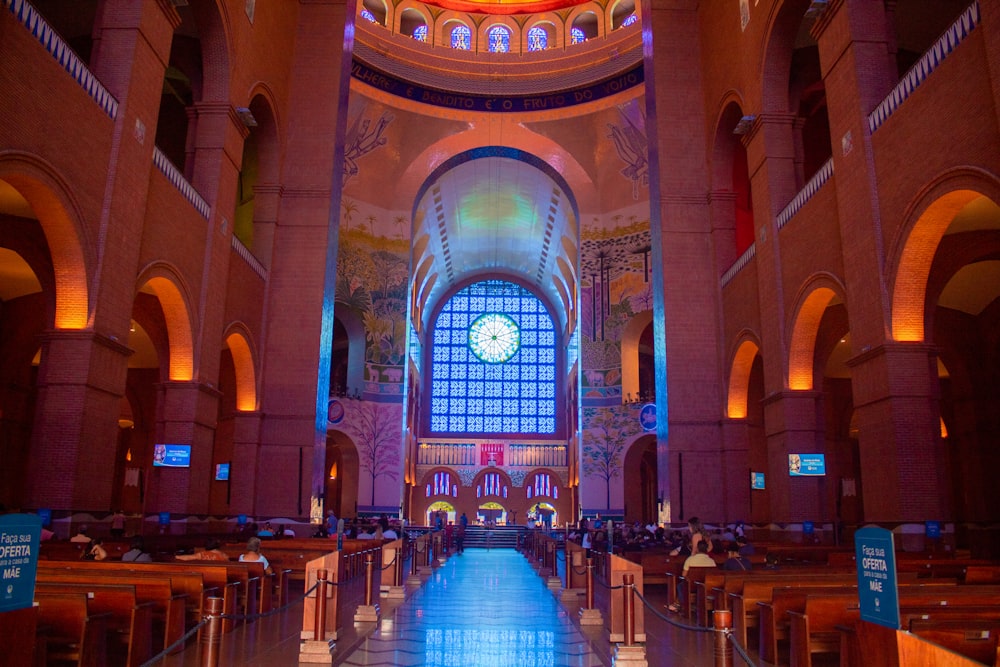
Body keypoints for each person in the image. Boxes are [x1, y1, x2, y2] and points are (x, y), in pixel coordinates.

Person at [667, 540, 715, 613]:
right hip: (706, 586)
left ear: (697, 549)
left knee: (680, 586)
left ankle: (683, 605)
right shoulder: (711, 561)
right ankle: (678, 605)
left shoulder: (690, 559)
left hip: (692, 586)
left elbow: (684, 575)